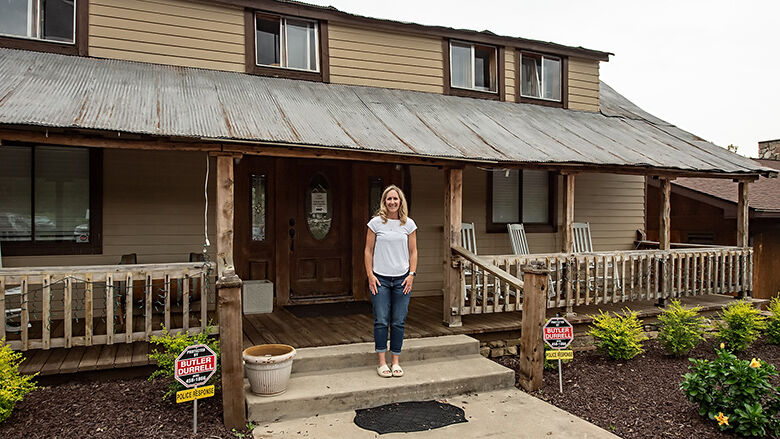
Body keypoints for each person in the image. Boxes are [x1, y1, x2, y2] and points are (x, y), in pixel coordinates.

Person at [364, 185, 417, 378]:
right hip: (380, 280)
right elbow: (368, 251)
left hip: (403, 279)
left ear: (400, 201)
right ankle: (381, 362)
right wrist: (370, 275)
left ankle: (395, 361)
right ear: (384, 202)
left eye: (395, 199)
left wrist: (411, 274)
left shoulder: (408, 224)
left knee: (398, 322)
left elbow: (413, 252)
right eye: (389, 199)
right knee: (380, 321)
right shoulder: (375, 223)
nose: (392, 202)